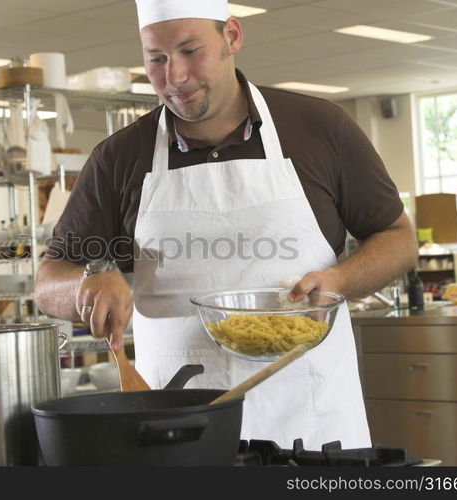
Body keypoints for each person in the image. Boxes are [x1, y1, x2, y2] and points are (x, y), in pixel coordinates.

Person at [34, 0, 418, 448]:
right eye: (155, 59)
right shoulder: (119, 157)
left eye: (191, 50)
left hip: (312, 425)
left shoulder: (319, 128)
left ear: (232, 37)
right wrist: (88, 283)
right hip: (177, 427)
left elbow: (399, 239)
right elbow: (47, 282)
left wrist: (340, 280)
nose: (173, 77)